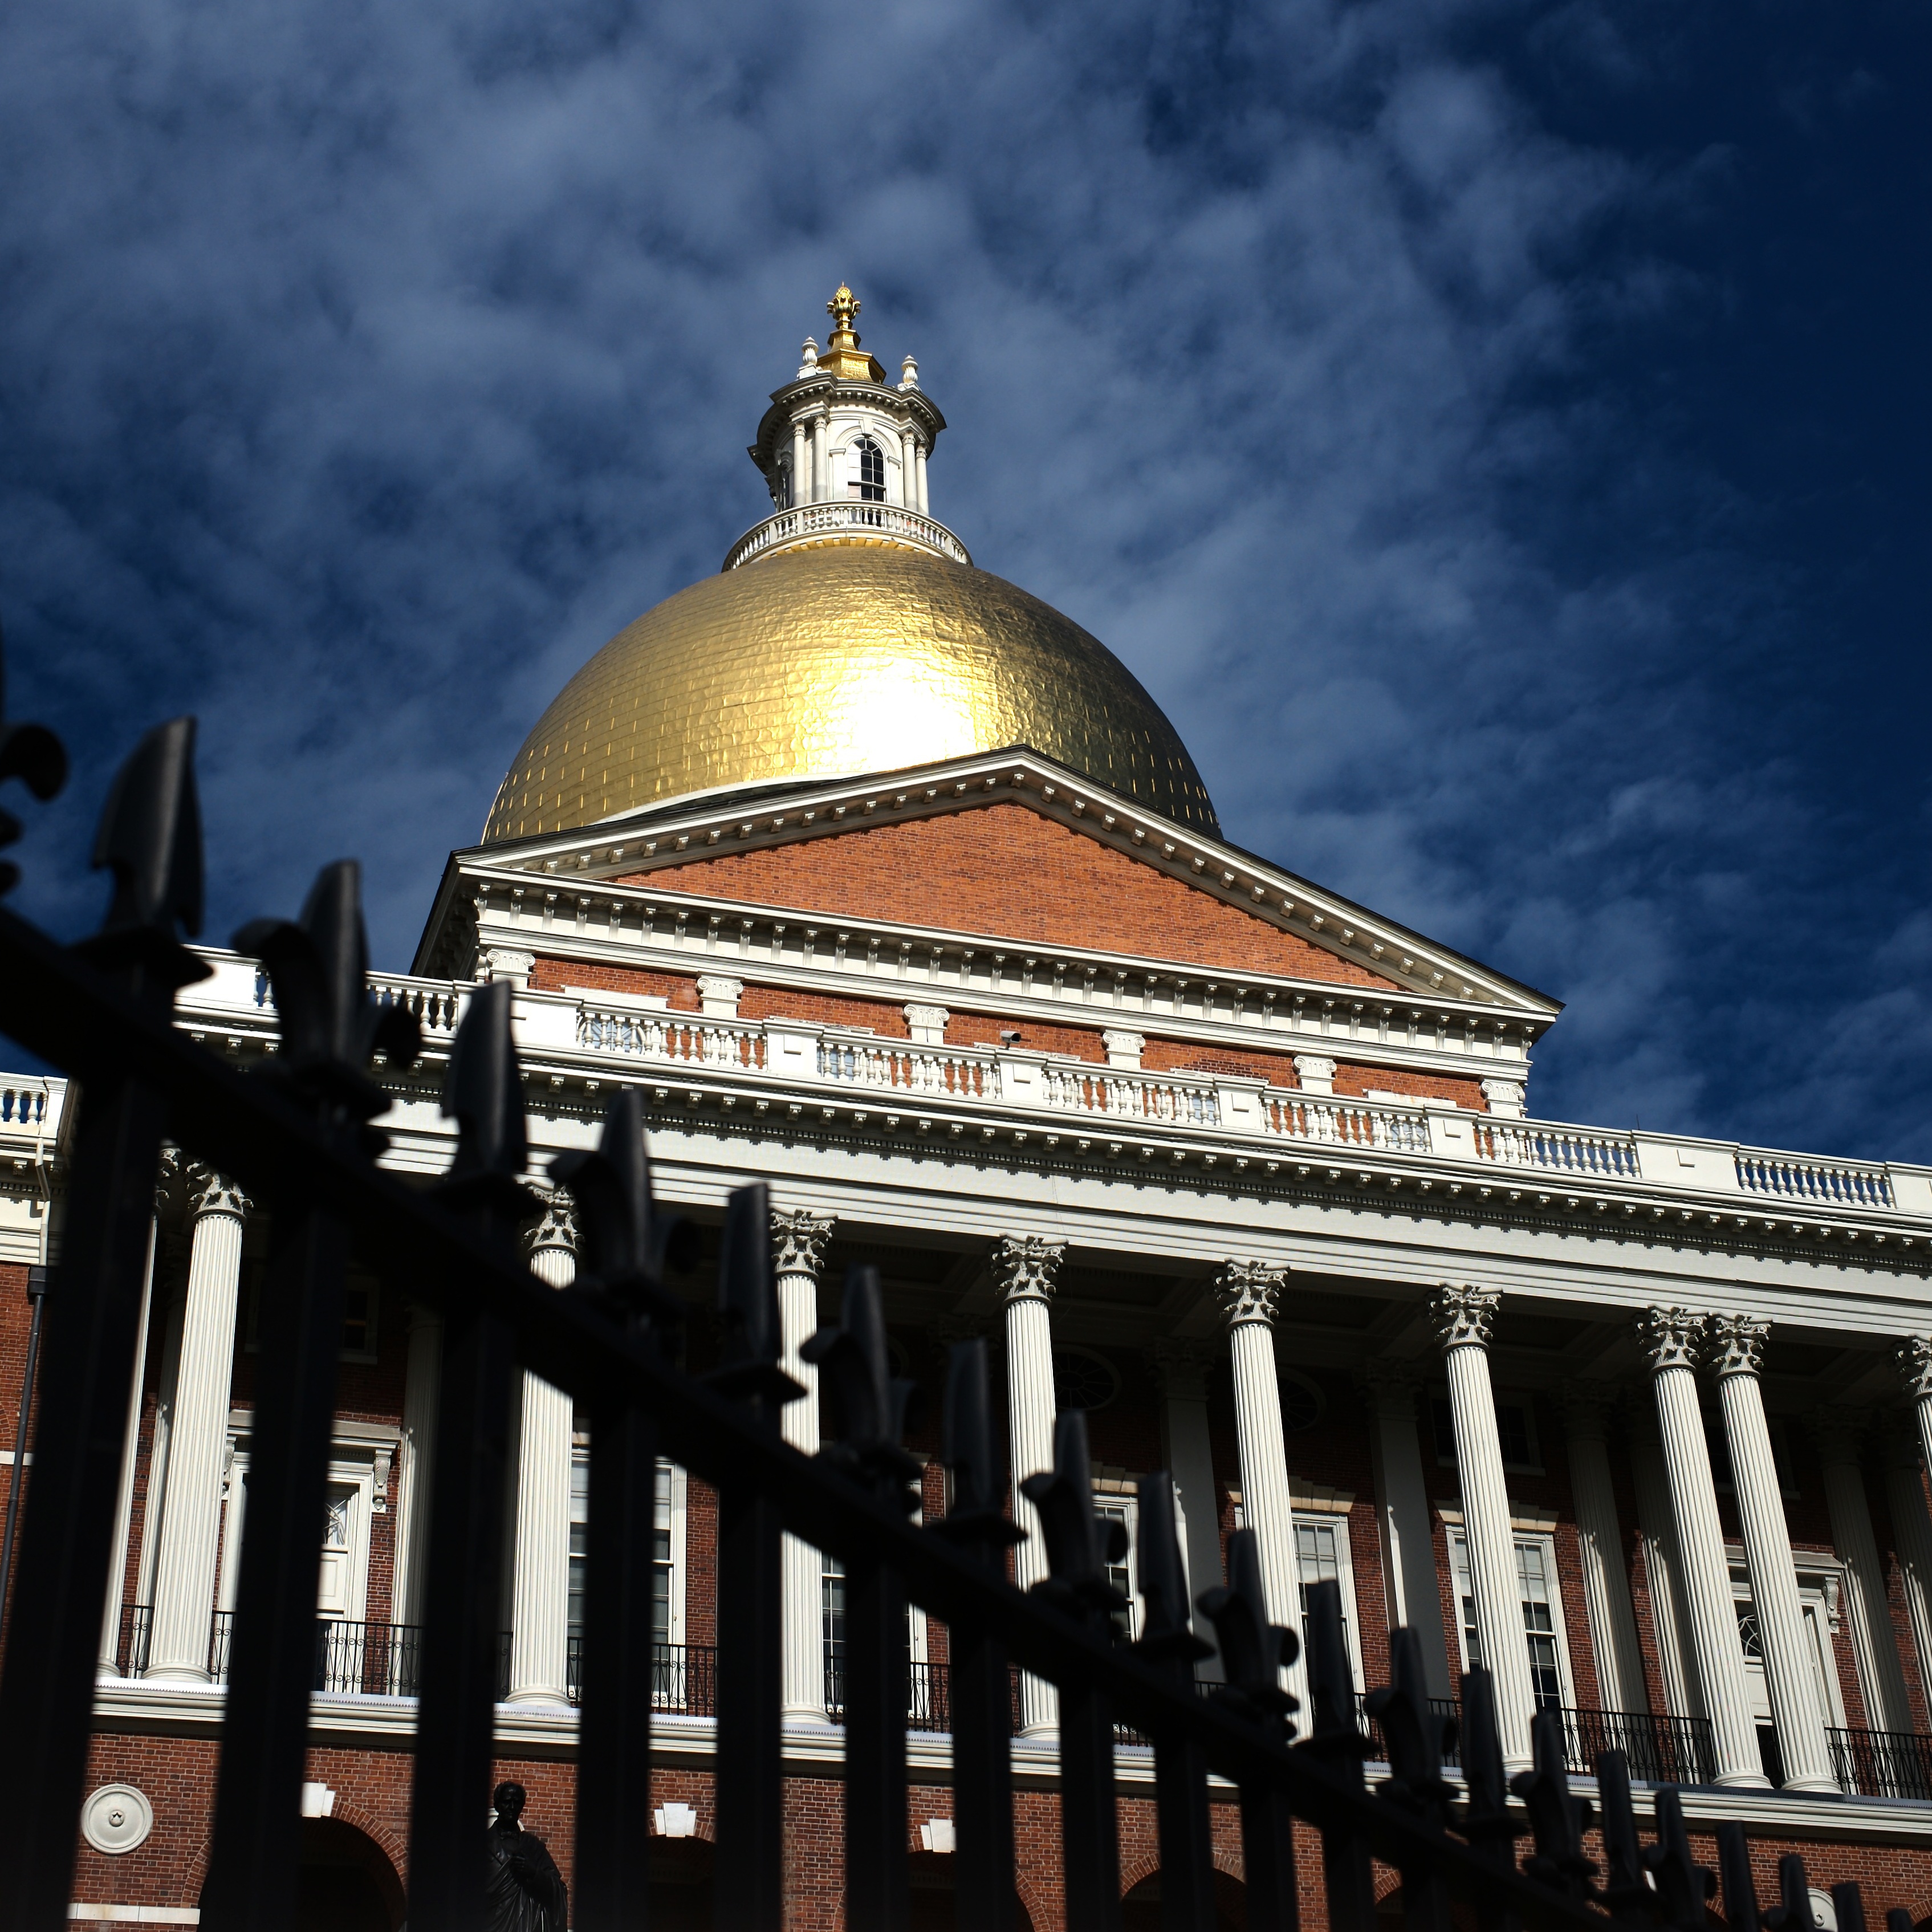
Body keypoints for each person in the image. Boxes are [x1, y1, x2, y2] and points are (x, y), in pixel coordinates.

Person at [484, 1780, 568, 1932]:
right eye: (507, 1802)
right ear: (497, 1806)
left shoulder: (533, 1847)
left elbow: (559, 1889)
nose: (511, 1807)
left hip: (527, 1925)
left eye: (516, 1803)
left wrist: (534, 1873)